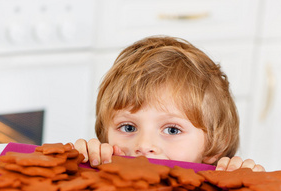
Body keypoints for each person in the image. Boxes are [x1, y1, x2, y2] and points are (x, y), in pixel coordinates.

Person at [74, 35, 264, 172]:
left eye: (172, 130)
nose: (144, 145)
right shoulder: (96, 176)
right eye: (128, 127)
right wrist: (79, 165)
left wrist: (250, 186)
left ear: (215, 146)